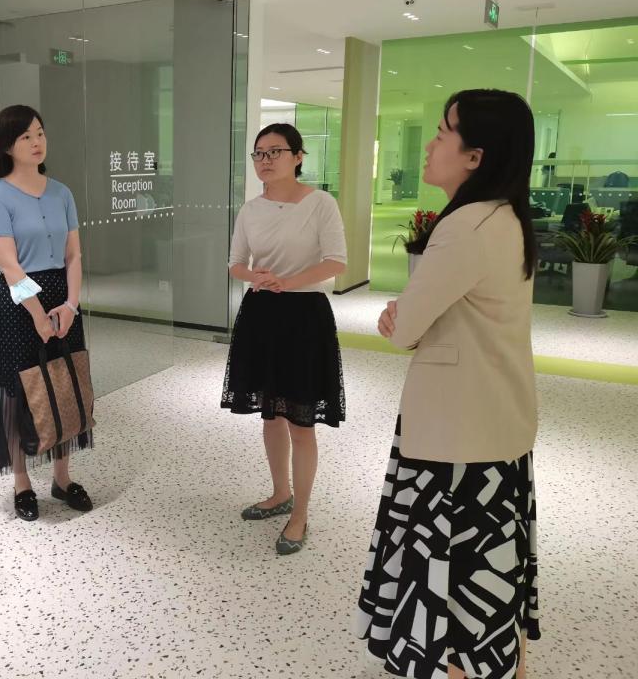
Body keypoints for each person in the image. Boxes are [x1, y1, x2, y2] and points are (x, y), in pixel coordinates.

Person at [356, 89, 540, 679]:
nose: (431, 145)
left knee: (450, 584)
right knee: (489, 575)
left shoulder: (465, 226)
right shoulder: (506, 217)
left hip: (456, 441)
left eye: (442, 133)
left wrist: (401, 319)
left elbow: (406, 327)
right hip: (493, 426)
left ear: (475, 157)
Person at [222, 123, 347, 555]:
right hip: (261, 314)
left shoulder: (321, 204)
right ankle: (280, 493)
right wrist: (254, 275)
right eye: (259, 153)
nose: (265, 160)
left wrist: (287, 281)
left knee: (300, 420)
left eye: (275, 151)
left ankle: (301, 513)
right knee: (270, 414)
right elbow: (235, 263)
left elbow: (336, 262)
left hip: (304, 316)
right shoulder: (250, 210)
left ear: (298, 156)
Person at [0, 104, 93, 521]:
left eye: (40, 133)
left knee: (63, 382)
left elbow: (73, 255)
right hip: (19, 303)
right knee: (18, 391)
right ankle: (22, 482)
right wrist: (37, 314)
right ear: (6, 146)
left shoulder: (62, 192)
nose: (36, 142)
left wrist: (70, 305)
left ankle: (62, 479)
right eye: (26, 136)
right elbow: (9, 266)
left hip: (62, 299)